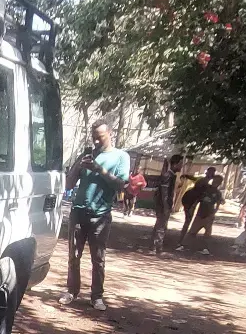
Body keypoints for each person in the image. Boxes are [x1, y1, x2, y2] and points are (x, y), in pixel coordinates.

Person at [59, 120, 130, 310]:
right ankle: (72, 291)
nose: (96, 142)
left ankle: (96, 296)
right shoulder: (87, 155)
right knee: (73, 256)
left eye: (100, 137)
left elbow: (121, 185)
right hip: (78, 212)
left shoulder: (120, 157)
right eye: (94, 138)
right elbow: (69, 184)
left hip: (100, 216)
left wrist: (99, 169)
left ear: (110, 134)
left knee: (98, 259)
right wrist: (78, 165)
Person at [147, 153, 185, 253]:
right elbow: (164, 193)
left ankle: (155, 246)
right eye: (180, 163)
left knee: (160, 225)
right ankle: (156, 247)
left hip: (164, 204)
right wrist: (166, 206)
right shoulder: (168, 176)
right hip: (163, 205)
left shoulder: (171, 175)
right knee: (161, 226)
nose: (181, 166)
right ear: (175, 164)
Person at [178, 166, 219, 248]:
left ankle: (182, 240)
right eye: (210, 172)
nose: (211, 174)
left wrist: (185, 176)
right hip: (190, 201)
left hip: (191, 200)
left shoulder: (205, 182)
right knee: (188, 221)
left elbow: (193, 178)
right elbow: (198, 194)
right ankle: (181, 241)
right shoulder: (204, 183)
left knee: (188, 221)